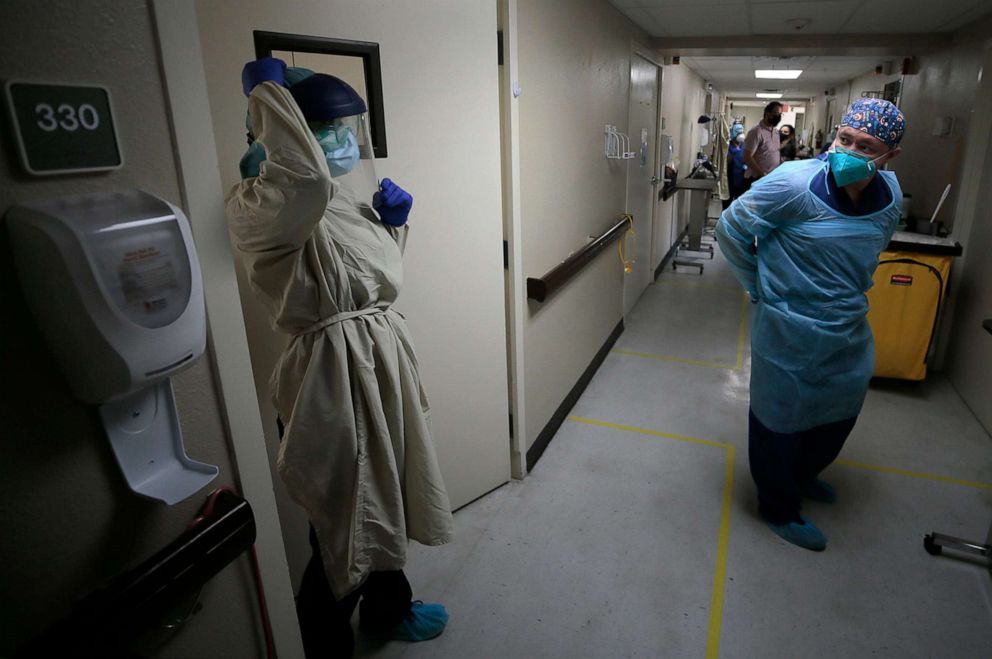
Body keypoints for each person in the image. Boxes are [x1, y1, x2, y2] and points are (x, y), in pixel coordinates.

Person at [226, 57, 453, 657]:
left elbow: (369, 281)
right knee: (346, 523)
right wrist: (267, 93)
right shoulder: (261, 204)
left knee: (388, 498)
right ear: (290, 132)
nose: (344, 142)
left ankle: (388, 608)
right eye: (328, 130)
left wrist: (395, 228)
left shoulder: (338, 206)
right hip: (329, 382)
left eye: (348, 130)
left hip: (377, 368)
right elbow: (303, 182)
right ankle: (322, 646)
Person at [715, 98, 906, 551]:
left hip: (847, 324)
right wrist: (758, 285)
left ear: (889, 155)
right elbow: (730, 229)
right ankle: (778, 505)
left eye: (866, 146)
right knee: (778, 420)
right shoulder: (793, 184)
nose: (850, 150)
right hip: (789, 327)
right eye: (845, 139)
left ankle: (803, 476)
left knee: (838, 412)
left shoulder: (892, 193)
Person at [743, 101, 783, 183]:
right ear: (767, 113)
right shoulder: (756, 132)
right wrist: (762, 174)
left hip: (771, 178)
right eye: (776, 113)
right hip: (757, 178)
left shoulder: (776, 132)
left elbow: (774, 152)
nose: (778, 116)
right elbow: (747, 156)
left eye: (780, 114)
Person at [724, 133, 747, 209]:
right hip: (730, 179)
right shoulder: (728, 145)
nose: (741, 135)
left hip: (742, 180)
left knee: (740, 206)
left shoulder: (744, 145)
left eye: (742, 132)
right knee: (727, 205)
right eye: (738, 133)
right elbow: (726, 161)